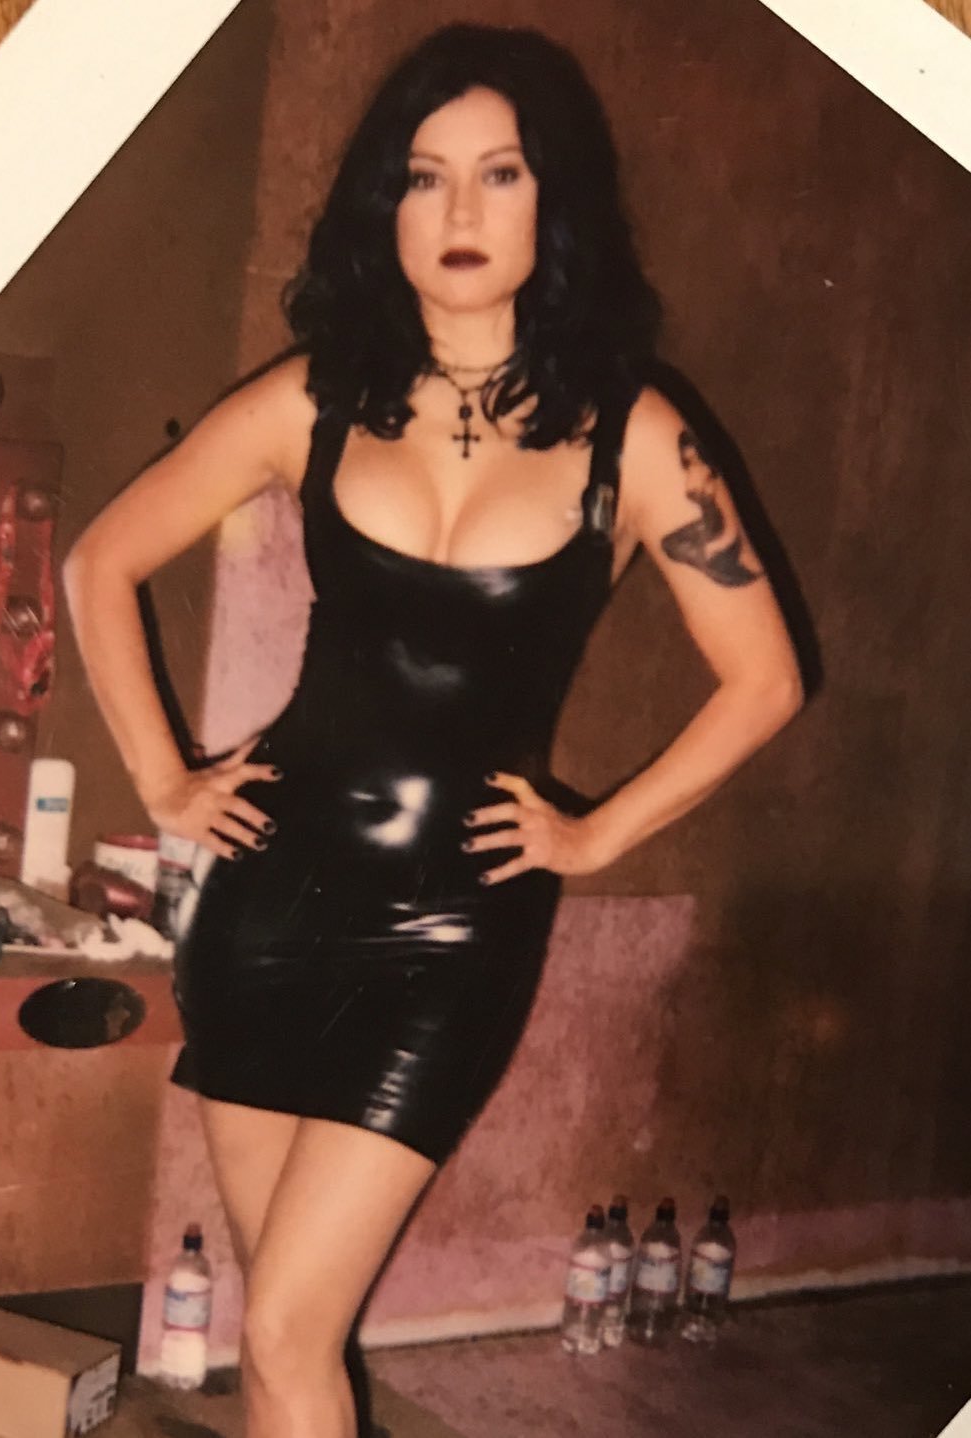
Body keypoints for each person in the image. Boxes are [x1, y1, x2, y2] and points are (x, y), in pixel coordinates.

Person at [64, 23, 803, 1438]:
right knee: (282, 1338)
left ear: (551, 199)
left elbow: (764, 679)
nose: (460, 209)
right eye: (424, 175)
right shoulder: (314, 397)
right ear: (384, 205)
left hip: (456, 927)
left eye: (499, 172)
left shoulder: (634, 434)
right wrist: (164, 777)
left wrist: (595, 831)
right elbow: (101, 561)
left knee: (288, 1330)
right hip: (267, 902)